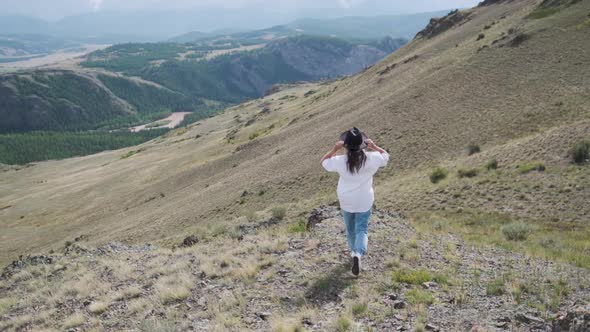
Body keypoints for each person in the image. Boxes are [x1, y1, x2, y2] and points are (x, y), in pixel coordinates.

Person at [320, 127, 389, 276]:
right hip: (364, 199)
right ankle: (358, 253)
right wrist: (374, 146)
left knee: (350, 228)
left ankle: (353, 251)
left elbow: (324, 162)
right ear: (362, 144)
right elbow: (386, 157)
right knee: (362, 229)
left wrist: (334, 149)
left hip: (346, 200)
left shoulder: (340, 161)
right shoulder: (373, 157)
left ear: (345, 145)